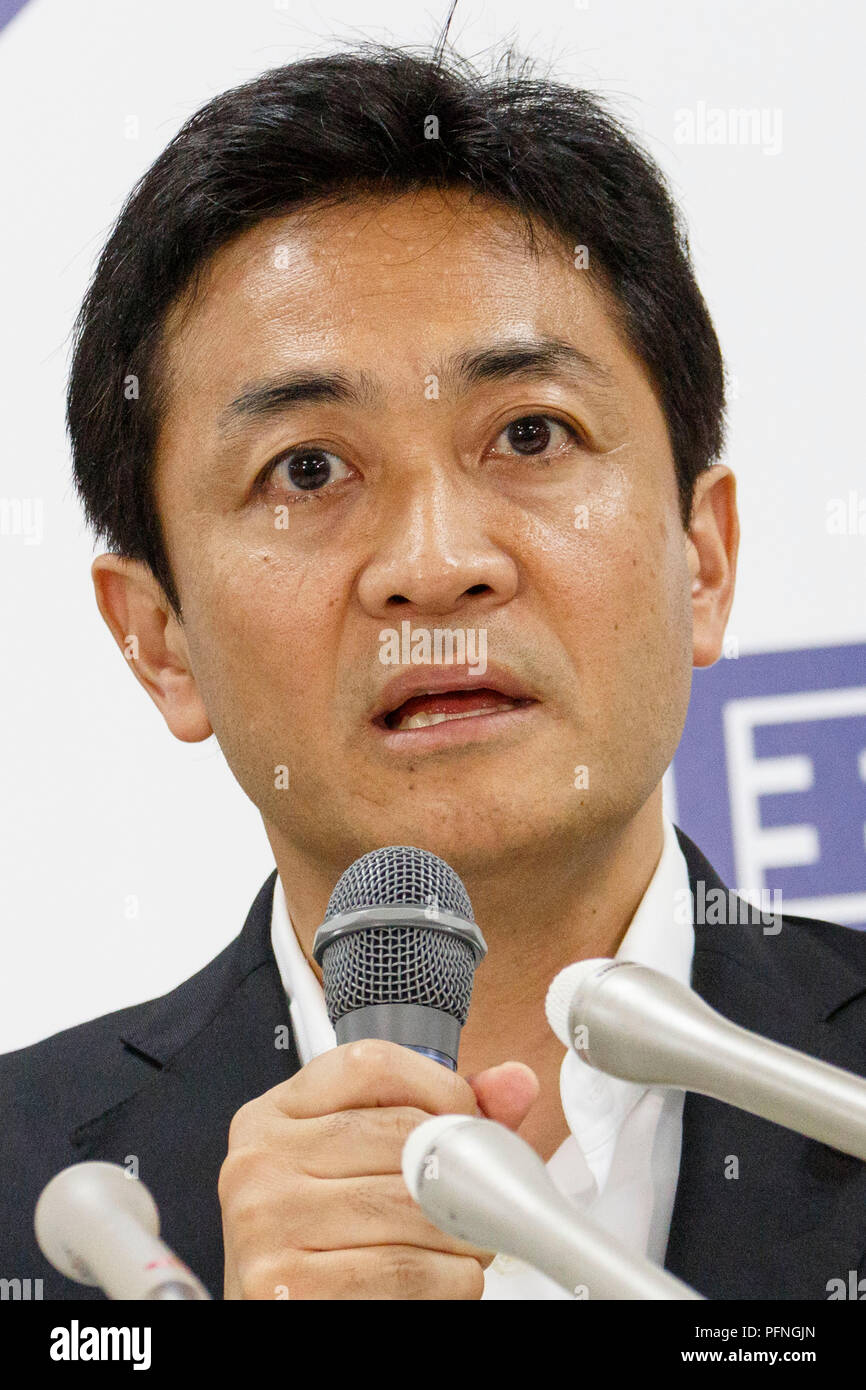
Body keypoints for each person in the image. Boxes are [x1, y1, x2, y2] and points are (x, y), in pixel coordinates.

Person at [4, 41, 865, 1302]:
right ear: (157, 638)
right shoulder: (36, 1191)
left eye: (529, 434)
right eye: (306, 468)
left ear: (702, 558)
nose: (434, 564)